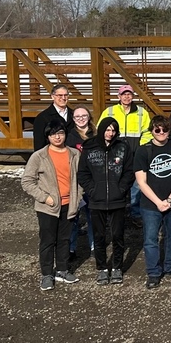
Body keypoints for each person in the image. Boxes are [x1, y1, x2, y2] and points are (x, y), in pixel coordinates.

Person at [21, 119, 82, 290]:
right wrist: (45, 197)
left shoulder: (74, 154)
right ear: (48, 136)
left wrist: (77, 199)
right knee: (47, 240)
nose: (57, 137)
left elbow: (81, 179)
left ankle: (62, 270)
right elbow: (27, 181)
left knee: (64, 239)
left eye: (61, 133)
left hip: (69, 204)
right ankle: (47, 274)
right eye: (53, 134)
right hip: (47, 207)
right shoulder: (39, 156)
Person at [133, 116, 171, 289]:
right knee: (151, 239)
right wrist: (158, 202)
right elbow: (141, 181)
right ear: (152, 130)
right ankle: (153, 272)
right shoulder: (143, 151)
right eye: (157, 129)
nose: (161, 133)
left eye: (164, 129)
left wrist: (170, 199)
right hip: (151, 204)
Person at [77, 117, 134, 286]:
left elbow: (129, 171)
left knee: (117, 235)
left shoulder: (122, 147)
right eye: (107, 130)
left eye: (113, 130)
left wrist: (121, 189)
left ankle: (117, 267)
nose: (110, 133)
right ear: (101, 130)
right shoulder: (90, 148)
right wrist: (92, 190)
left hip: (117, 200)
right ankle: (101, 268)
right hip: (97, 200)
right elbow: (83, 173)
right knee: (99, 236)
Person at [100, 85, 152, 226]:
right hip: (114, 153)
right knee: (114, 184)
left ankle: (136, 214)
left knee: (137, 185)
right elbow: (101, 129)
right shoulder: (109, 111)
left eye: (129, 94)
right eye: (124, 94)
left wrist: (141, 147)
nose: (126, 97)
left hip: (135, 154)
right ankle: (115, 214)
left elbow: (148, 132)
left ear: (133, 96)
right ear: (119, 96)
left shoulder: (142, 113)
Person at [66, 105, 95, 264]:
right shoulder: (70, 137)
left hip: (94, 180)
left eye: (84, 115)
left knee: (93, 216)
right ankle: (71, 248)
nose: (81, 119)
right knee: (74, 216)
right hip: (76, 181)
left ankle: (94, 246)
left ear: (89, 117)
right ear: (73, 119)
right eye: (77, 116)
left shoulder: (96, 134)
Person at [32, 84, 75, 151]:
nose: (63, 98)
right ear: (52, 96)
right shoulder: (42, 117)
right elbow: (39, 144)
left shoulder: (74, 114)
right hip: (53, 155)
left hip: (73, 155)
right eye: (60, 95)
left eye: (66, 95)